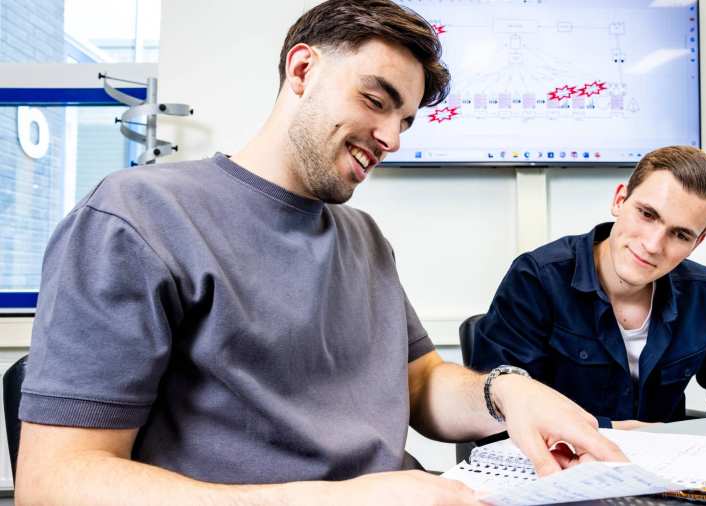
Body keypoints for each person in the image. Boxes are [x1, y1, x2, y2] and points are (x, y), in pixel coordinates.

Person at [15, 1, 625, 504]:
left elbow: (418, 384)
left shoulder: (363, 238)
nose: (390, 138)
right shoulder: (138, 216)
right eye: (376, 100)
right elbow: (56, 481)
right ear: (301, 70)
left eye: (406, 121)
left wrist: (505, 392)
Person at [470, 146, 706, 430]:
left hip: (664, 475)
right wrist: (608, 431)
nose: (653, 245)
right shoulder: (537, 278)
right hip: (557, 468)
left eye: (679, 234)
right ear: (619, 200)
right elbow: (496, 406)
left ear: (697, 243)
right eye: (648, 214)